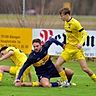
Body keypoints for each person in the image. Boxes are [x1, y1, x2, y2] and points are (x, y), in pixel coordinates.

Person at [54, 8, 96, 87]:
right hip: (68, 49)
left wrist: (81, 43)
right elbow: (69, 35)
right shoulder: (66, 23)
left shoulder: (76, 23)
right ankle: (66, 82)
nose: (61, 18)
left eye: (62, 16)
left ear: (67, 15)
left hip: (77, 49)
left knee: (85, 69)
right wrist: (65, 43)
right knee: (57, 65)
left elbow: (85, 33)